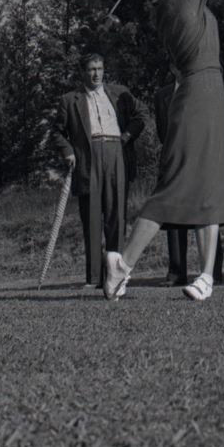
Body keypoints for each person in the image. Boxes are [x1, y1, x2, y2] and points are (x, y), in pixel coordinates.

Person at [103, 0, 224, 302]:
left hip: (207, 91)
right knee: (174, 185)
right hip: (200, 93)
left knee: (209, 185)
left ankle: (205, 277)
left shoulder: (165, 5)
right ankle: (123, 264)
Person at [54, 54, 148, 288]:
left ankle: (117, 275)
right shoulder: (70, 99)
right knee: (92, 218)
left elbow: (142, 114)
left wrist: (127, 135)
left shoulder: (119, 93)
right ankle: (94, 277)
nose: (96, 74)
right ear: (82, 72)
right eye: (91, 69)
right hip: (89, 158)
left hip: (116, 152)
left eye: (100, 68)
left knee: (117, 215)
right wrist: (68, 151)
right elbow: (56, 132)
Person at [154, 64, 224, 287]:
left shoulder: (205, 90)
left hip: (202, 158)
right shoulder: (161, 96)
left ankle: (212, 271)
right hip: (174, 160)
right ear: (172, 67)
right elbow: (162, 132)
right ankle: (176, 273)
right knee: (173, 216)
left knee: (207, 212)